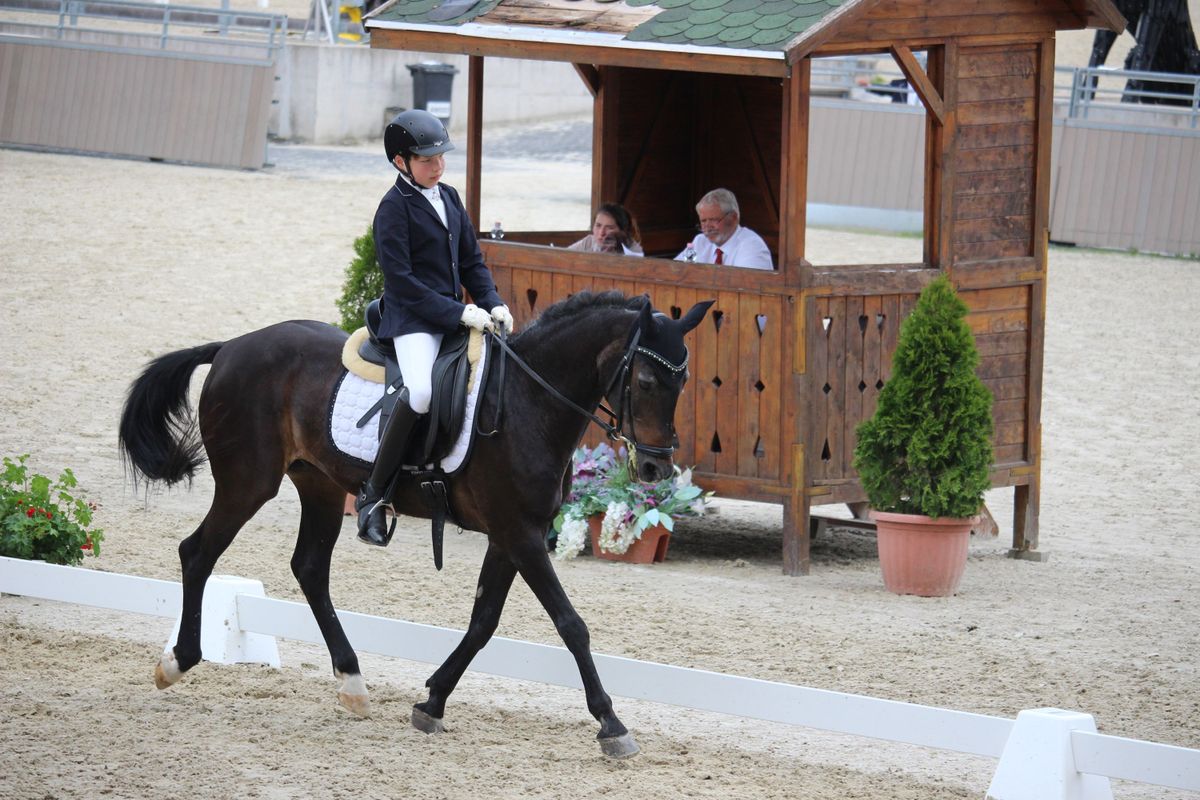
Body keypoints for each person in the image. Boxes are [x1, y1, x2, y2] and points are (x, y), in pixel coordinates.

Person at [357, 109, 514, 547]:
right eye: (427, 160)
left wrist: (493, 301)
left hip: (452, 313)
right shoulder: (392, 210)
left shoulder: (448, 197)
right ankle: (375, 494)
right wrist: (458, 313)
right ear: (400, 162)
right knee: (422, 392)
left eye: (441, 156)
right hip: (413, 320)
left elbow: (470, 260)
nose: (438, 165)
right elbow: (402, 283)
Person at [675, 188, 773, 270]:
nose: (708, 227)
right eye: (703, 221)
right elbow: (676, 271)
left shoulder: (752, 246)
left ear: (734, 218)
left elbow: (746, 287)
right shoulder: (699, 242)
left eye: (714, 220)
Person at [568, 203, 644, 256]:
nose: (601, 233)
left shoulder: (633, 250)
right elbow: (562, 256)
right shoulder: (589, 242)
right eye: (598, 225)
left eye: (610, 228)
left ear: (622, 231)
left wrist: (612, 254)